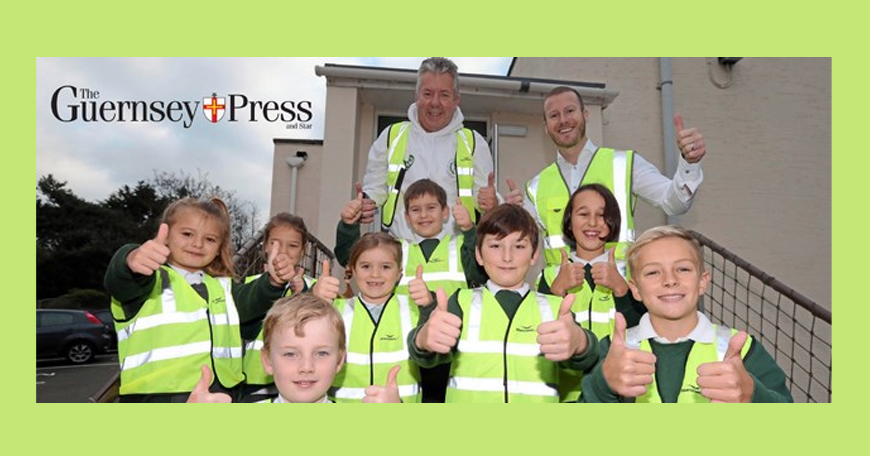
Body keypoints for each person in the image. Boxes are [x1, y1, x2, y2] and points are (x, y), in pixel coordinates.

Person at [104, 197, 292, 402]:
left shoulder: (224, 287)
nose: (197, 244)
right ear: (165, 234)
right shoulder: (147, 280)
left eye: (210, 239)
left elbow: (252, 300)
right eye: (187, 234)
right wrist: (131, 258)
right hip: (156, 399)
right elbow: (120, 280)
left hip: (224, 397)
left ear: (220, 247)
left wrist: (273, 282)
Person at [408, 204, 600, 403]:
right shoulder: (460, 303)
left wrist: (580, 341)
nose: (507, 257)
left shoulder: (555, 308)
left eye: (519, 246)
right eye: (495, 246)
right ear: (479, 255)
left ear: (534, 255)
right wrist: (422, 339)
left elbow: (588, 356)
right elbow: (425, 355)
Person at [580, 225, 793, 403]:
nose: (670, 280)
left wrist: (754, 396)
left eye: (683, 269)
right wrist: (602, 386)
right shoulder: (614, 350)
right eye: (653, 272)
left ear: (702, 282)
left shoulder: (742, 349)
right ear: (635, 289)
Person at [517, 86, 707, 267]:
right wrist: (496, 207)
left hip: (618, 296)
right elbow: (516, 240)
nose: (563, 120)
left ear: (585, 115)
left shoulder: (625, 164)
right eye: (554, 115)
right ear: (546, 126)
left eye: (570, 111)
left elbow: (676, 203)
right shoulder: (536, 187)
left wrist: (690, 163)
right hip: (560, 297)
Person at [359, 57, 497, 242]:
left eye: (444, 95)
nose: (435, 102)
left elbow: (486, 200)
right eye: (427, 93)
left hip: (457, 254)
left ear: (456, 100)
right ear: (416, 96)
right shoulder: (391, 136)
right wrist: (365, 203)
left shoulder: (474, 143)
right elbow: (374, 188)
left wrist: (494, 203)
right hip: (401, 251)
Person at [537, 184, 646, 401]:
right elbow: (538, 334)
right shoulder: (549, 276)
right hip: (563, 394)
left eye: (602, 215)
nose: (593, 223)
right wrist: (557, 290)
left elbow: (642, 332)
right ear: (569, 221)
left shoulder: (630, 273)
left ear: (613, 222)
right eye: (583, 214)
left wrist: (621, 289)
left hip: (616, 394)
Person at [314, 232, 430, 403]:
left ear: (399, 273)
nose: (375, 274)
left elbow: (435, 357)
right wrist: (313, 301)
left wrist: (429, 306)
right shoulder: (332, 310)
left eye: (385, 267)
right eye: (366, 266)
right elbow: (296, 333)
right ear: (353, 270)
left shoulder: (415, 310)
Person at [240, 213, 317, 402]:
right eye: (275, 243)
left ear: (302, 250)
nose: (283, 251)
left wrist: (303, 294)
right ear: (265, 245)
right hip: (255, 381)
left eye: (293, 245)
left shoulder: (315, 288)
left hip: (302, 381)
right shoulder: (251, 285)